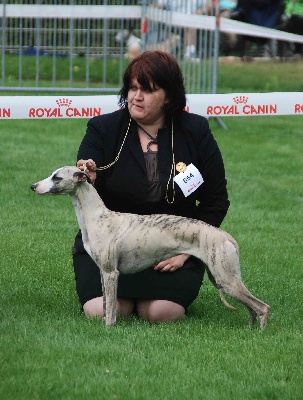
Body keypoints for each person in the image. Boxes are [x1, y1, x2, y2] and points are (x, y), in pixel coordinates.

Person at [72, 51, 230, 323]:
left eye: (148, 90)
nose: (136, 96)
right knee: (103, 311)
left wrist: (186, 249)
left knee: (160, 312)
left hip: (171, 246)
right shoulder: (103, 128)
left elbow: (216, 200)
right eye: (133, 88)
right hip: (113, 245)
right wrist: (89, 178)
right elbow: (83, 183)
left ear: (169, 97)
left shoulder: (195, 130)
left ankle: (153, 291)